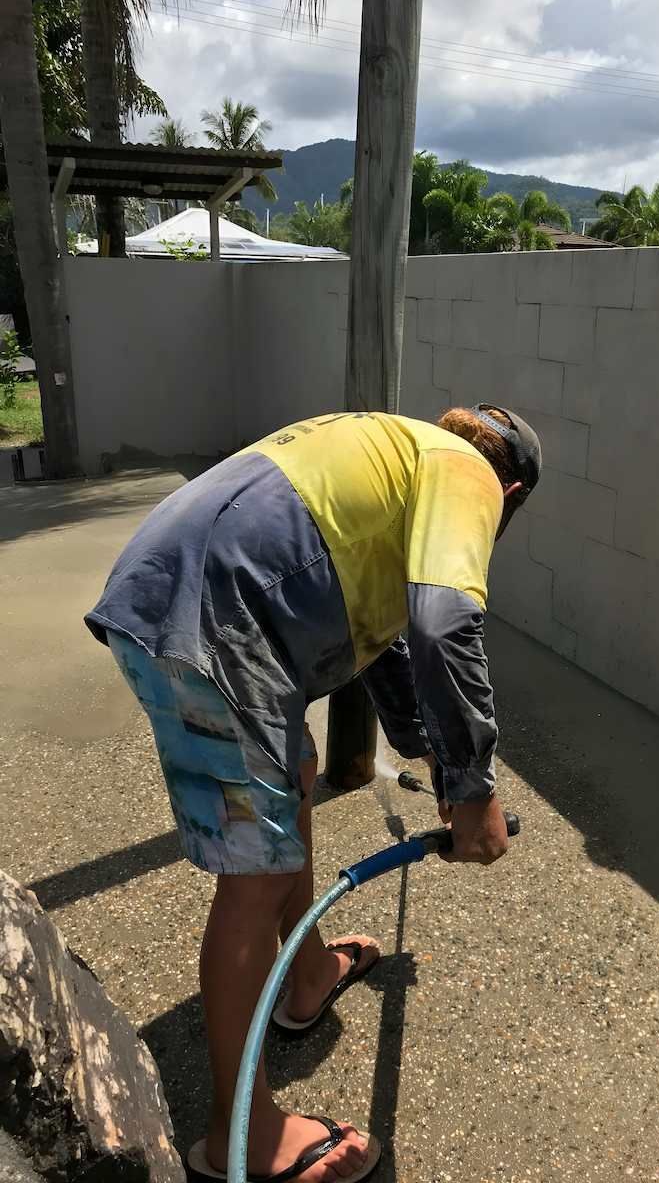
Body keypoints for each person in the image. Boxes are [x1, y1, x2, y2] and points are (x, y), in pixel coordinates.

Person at [84, 404, 541, 1183]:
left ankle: (307, 975)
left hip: (176, 590)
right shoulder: (468, 476)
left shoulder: (403, 455)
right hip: (212, 619)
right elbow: (443, 623)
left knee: (293, 777)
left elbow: (387, 631)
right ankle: (241, 1139)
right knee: (253, 877)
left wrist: (432, 753)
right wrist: (473, 790)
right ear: (514, 492)